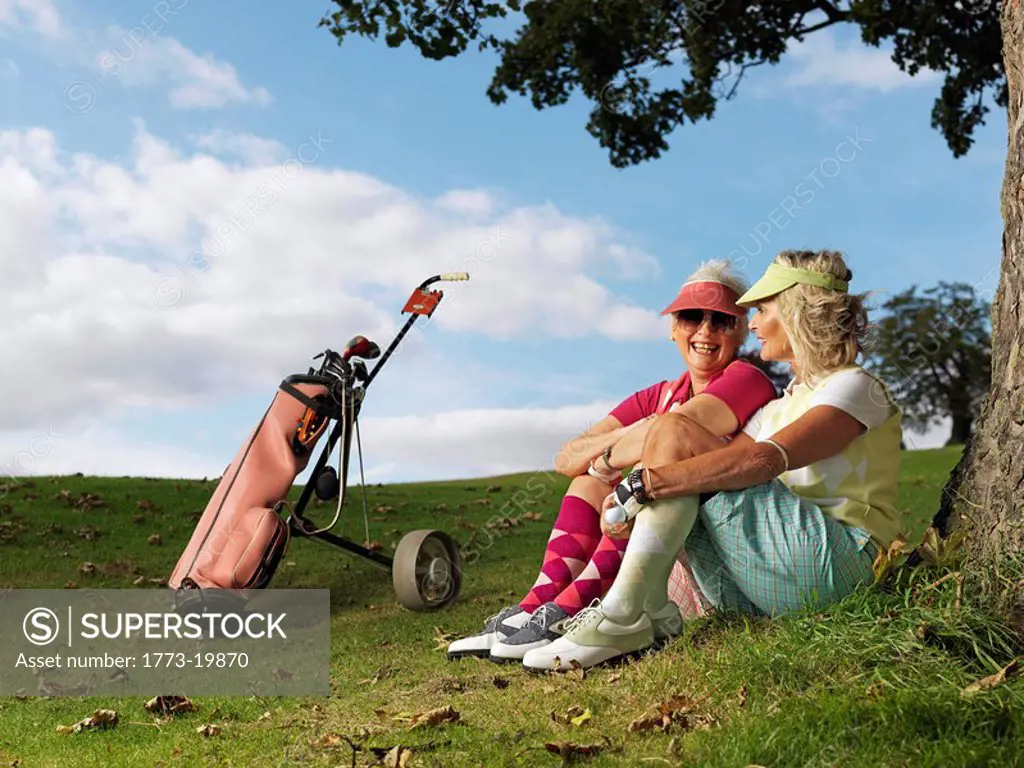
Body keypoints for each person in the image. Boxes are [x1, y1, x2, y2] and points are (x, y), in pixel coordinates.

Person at [522, 249, 904, 672]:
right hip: (774, 578)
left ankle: (625, 612)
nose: (753, 323)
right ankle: (630, 608)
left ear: (796, 311)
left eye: (760, 310)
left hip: (842, 566)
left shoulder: (855, 386)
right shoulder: (778, 407)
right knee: (681, 452)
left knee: (674, 434)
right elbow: (715, 461)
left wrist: (642, 487)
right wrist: (637, 495)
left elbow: (761, 462)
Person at [446, 260, 779, 662]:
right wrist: (624, 438)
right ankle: (539, 606)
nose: (705, 331)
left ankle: (572, 606)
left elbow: (671, 430)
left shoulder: (747, 378)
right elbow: (567, 457)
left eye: (722, 320)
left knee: (645, 473)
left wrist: (621, 447)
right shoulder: (659, 394)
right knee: (587, 483)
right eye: (692, 316)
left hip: (717, 551)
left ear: (741, 330)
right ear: (674, 328)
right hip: (663, 548)